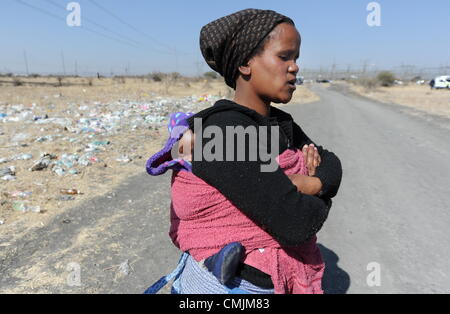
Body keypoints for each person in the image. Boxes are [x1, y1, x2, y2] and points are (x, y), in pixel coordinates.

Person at [145, 8, 342, 294]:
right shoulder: (221, 132)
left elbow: (331, 162)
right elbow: (296, 223)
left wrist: (313, 183)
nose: (295, 67)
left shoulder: (281, 124)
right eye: (284, 56)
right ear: (246, 63)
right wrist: (321, 191)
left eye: (296, 58)